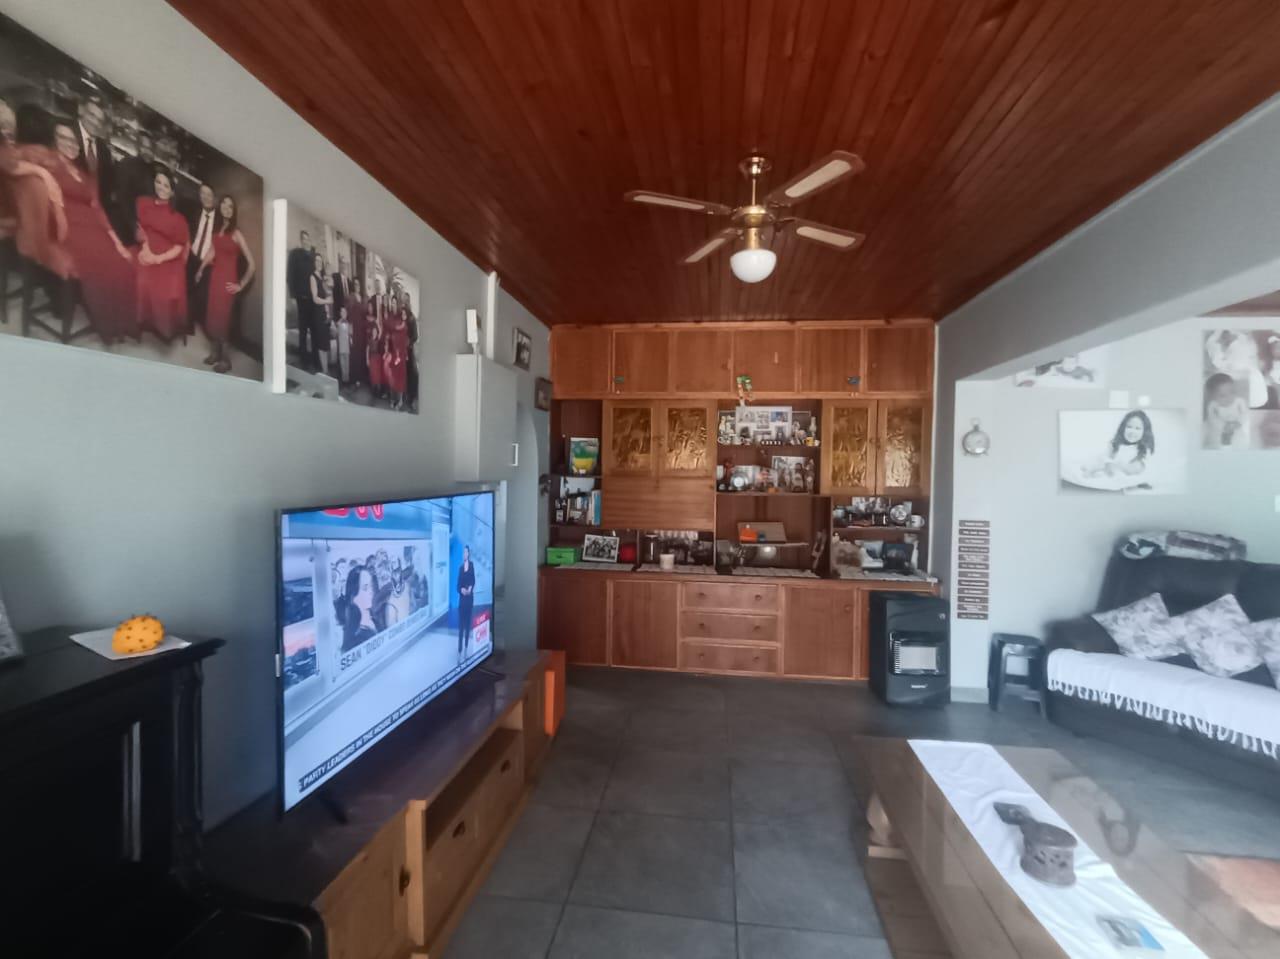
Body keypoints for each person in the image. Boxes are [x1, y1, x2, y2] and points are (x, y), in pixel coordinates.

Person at [49, 120, 135, 340]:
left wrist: (117, 242)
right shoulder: (50, 166)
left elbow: (98, 209)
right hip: (69, 228)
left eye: (73, 140)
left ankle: (118, 324)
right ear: (55, 140)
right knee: (102, 266)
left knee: (123, 262)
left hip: (93, 228)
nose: (69, 143)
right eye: (63, 138)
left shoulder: (84, 174)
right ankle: (107, 325)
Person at [196, 193, 255, 373]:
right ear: (220, 206)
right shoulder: (218, 230)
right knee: (212, 316)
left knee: (222, 320)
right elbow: (212, 252)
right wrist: (200, 269)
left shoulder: (236, 233)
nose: (226, 208)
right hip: (215, 278)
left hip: (227, 282)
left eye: (230, 206)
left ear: (233, 211)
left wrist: (241, 285)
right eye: (224, 204)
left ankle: (226, 360)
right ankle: (215, 353)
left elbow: (252, 264)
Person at [135, 165, 189, 339]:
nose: (161, 188)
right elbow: (140, 229)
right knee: (132, 276)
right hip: (145, 248)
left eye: (166, 185)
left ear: (172, 192)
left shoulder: (179, 218)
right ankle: (141, 321)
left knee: (161, 288)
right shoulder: (144, 203)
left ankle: (160, 326)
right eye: (158, 182)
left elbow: (179, 247)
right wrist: (145, 250)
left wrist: (157, 259)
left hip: (167, 258)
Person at [1082, 410, 1155, 480]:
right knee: (1096, 464)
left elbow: (1136, 469)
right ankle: (1088, 470)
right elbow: (1105, 458)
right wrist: (1107, 464)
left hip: (1123, 476)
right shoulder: (1116, 444)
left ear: (1145, 431)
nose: (1132, 431)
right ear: (1123, 428)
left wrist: (1117, 467)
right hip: (1106, 470)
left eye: (1137, 428)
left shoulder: (1144, 450)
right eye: (1129, 427)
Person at [187, 182, 216, 334]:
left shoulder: (218, 219)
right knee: (188, 289)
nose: (205, 197)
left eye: (209, 194)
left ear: (214, 197)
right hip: (192, 256)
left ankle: (201, 322)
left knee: (202, 294)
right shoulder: (194, 213)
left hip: (207, 260)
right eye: (202, 194)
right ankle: (188, 324)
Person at [336, 564, 379, 652]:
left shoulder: (376, 620)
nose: (371, 591)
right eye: (365, 588)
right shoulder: (355, 640)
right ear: (353, 596)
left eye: (371, 586)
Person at [286, 229, 314, 365]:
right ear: (301, 241)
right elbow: (290, 276)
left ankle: (313, 356)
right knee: (303, 328)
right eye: (303, 239)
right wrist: (293, 295)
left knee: (313, 327)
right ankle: (304, 359)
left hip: (313, 298)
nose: (305, 241)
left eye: (307, 239)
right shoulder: (295, 255)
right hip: (301, 297)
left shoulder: (313, 256)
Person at [1203, 373, 1249, 449]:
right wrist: (1223, 426)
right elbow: (1212, 419)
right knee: (1216, 441)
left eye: (1232, 392)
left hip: (1236, 427)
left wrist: (1239, 422)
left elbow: (1245, 414)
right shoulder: (1213, 406)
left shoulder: (1239, 402)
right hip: (1221, 429)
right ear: (1213, 397)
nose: (1229, 397)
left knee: (1240, 441)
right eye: (1223, 396)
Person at [308, 252, 332, 374]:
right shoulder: (312, 277)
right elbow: (315, 298)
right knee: (322, 345)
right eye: (317, 261)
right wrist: (327, 301)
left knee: (325, 343)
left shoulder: (323, 277)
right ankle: (325, 371)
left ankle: (325, 370)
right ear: (314, 263)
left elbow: (328, 292)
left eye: (320, 261)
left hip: (325, 314)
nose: (319, 263)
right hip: (318, 314)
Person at [384, 297, 409, 409]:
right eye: (392, 303)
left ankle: (400, 401)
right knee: (392, 376)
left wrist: (398, 327)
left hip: (401, 353)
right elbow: (388, 326)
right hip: (393, 352)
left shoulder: (402, 318)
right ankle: (393, 399)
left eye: (395, 303)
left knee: (400, 377)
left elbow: (404, 333)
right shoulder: (391, 317)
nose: (393, 305)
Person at [456, 546, 475, 661]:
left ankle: (466, 649)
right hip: (462, 601)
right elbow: (457, 586)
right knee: (461, 627)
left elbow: (473, 580)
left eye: (466, 552)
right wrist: (461, 590)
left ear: (468, 553)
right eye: (463, 552)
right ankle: (459, 651)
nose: (464, 554)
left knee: (468, 626)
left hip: (469, 600)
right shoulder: (460, 568)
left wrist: (470, 589)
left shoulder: (472, 565)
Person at [348, 278, 368, 386]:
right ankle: (354, 379)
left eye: (358, 284)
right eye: (355, 284)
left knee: (361, 353)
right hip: (355, 330)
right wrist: (350, 334)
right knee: (355, 354)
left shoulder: (363, 297)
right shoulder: (350, 297)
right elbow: (350, 317)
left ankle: (361, 377)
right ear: (353, 286)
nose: (357, 286)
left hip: (362, 330)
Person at [336, 304, 351, 384]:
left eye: (344, 312)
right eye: (342, 312)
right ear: (340, 313)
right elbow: (336, 333)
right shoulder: (338, 323)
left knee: (347, 364)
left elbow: (350, 334)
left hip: (347, 347)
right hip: (341, 347)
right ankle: (343, 379)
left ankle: (347, 379)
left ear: (347, 313)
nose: (343, 313)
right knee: (342, 364)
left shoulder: (349, 323)